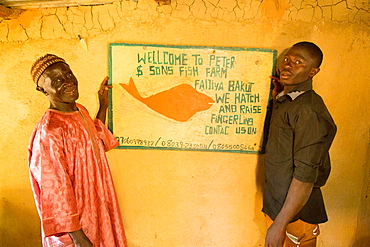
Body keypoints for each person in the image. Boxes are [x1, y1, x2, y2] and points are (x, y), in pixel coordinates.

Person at [28, 54, 127, 246]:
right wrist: (78, 238)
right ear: (43, 90)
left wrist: (103, 106)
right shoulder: (50, 131)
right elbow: (55, 189)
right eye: (57, 80)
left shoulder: (80, 111)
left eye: (69, 74)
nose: (67, 82)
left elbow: (96, 142)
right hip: (77, 226)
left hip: (96, 207)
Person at [263, 42, 337, 247]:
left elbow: (305, 175)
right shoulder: (289, 101)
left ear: (313, 71)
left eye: (298, 62)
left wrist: (280, 225)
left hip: (295, 215)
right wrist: (278, 96)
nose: (288, 66)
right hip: (279, 208)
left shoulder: (308, 110)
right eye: (287, 59)